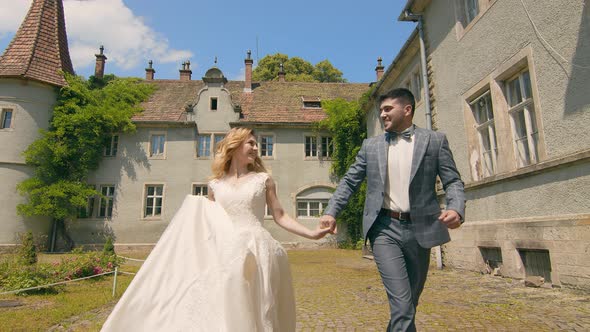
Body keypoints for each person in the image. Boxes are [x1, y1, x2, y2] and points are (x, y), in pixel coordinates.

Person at [102, 127, 331, 332]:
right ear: (235, 146)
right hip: (224, 251)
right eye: (250, 143)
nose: (255, 147)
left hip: (257, 249)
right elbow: (207, 223)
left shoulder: (263, 180)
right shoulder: (214, 185)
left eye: (256, 143)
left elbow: (280, 215)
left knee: (258, 309)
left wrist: (311, 233)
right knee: (226, 306)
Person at [320, 88, 465, 332]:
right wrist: (331, 211)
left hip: (422, 229)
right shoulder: (371, 146)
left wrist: (456, 208)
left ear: (407, 110)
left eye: (388, 109)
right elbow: (349, 182)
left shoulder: (435, 141)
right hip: (384, 230)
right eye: (380, 111)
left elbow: (453, 181)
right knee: (401, 304)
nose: (382, 115)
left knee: (409, 303)